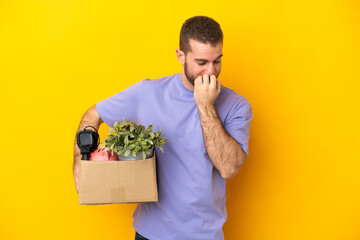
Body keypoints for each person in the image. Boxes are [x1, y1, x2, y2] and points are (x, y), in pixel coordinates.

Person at [73, 15, 253, 240]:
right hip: (150, 234)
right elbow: (93, 114)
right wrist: (80, 161)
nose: (211, 72)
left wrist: (205, 105)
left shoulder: (236, 105)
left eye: (217, 61)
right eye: (201, 63)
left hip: (204, 235)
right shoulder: (147, 93)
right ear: (181, 56)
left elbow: (228, 167)